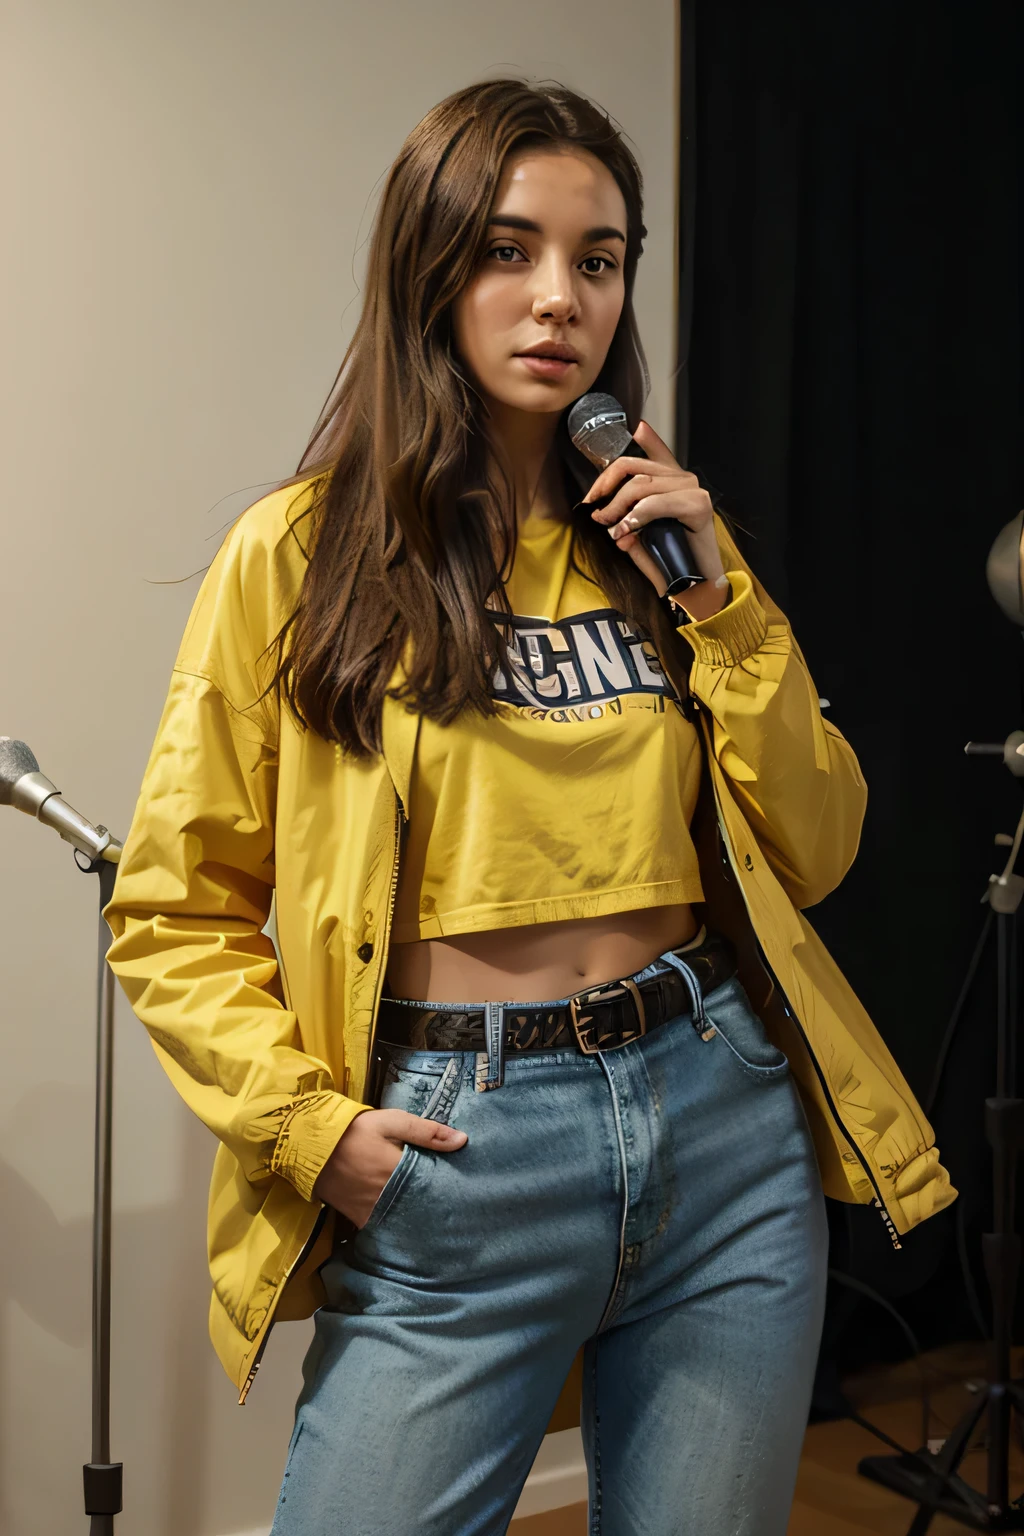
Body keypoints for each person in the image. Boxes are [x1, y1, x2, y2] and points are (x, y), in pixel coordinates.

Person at [104, 79, 955, 1536]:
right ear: (427, 268)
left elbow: (818, 846)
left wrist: (724, 600)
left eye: (600, 258)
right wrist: (313, 1133)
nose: (560, 298)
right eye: (509, 249)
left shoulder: (668, 540)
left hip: (721, 1121)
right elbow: (173, 908)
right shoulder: (298, 556)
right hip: (460, 1145)